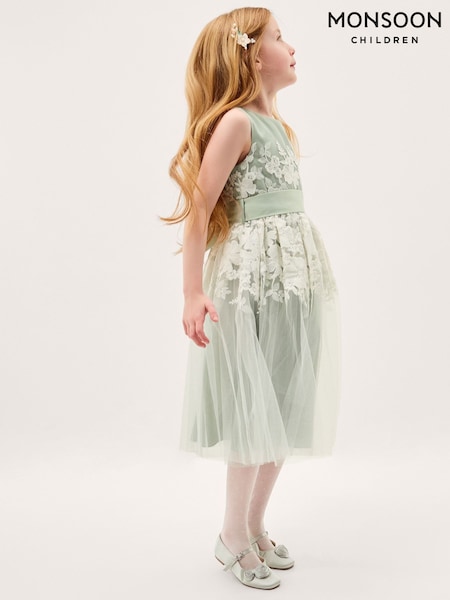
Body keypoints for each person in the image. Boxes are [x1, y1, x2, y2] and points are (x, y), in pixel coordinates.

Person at [163, 7, 342, 590]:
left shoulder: (280, 129)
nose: (292, 47)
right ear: (251, 56)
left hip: (291, 278)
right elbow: (199, 210)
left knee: (283, 406)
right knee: (253, 410)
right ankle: (231, 533)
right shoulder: (237, 123)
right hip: (250, 282)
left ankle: (254, 522)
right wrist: (192, 292)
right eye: (279, 38)